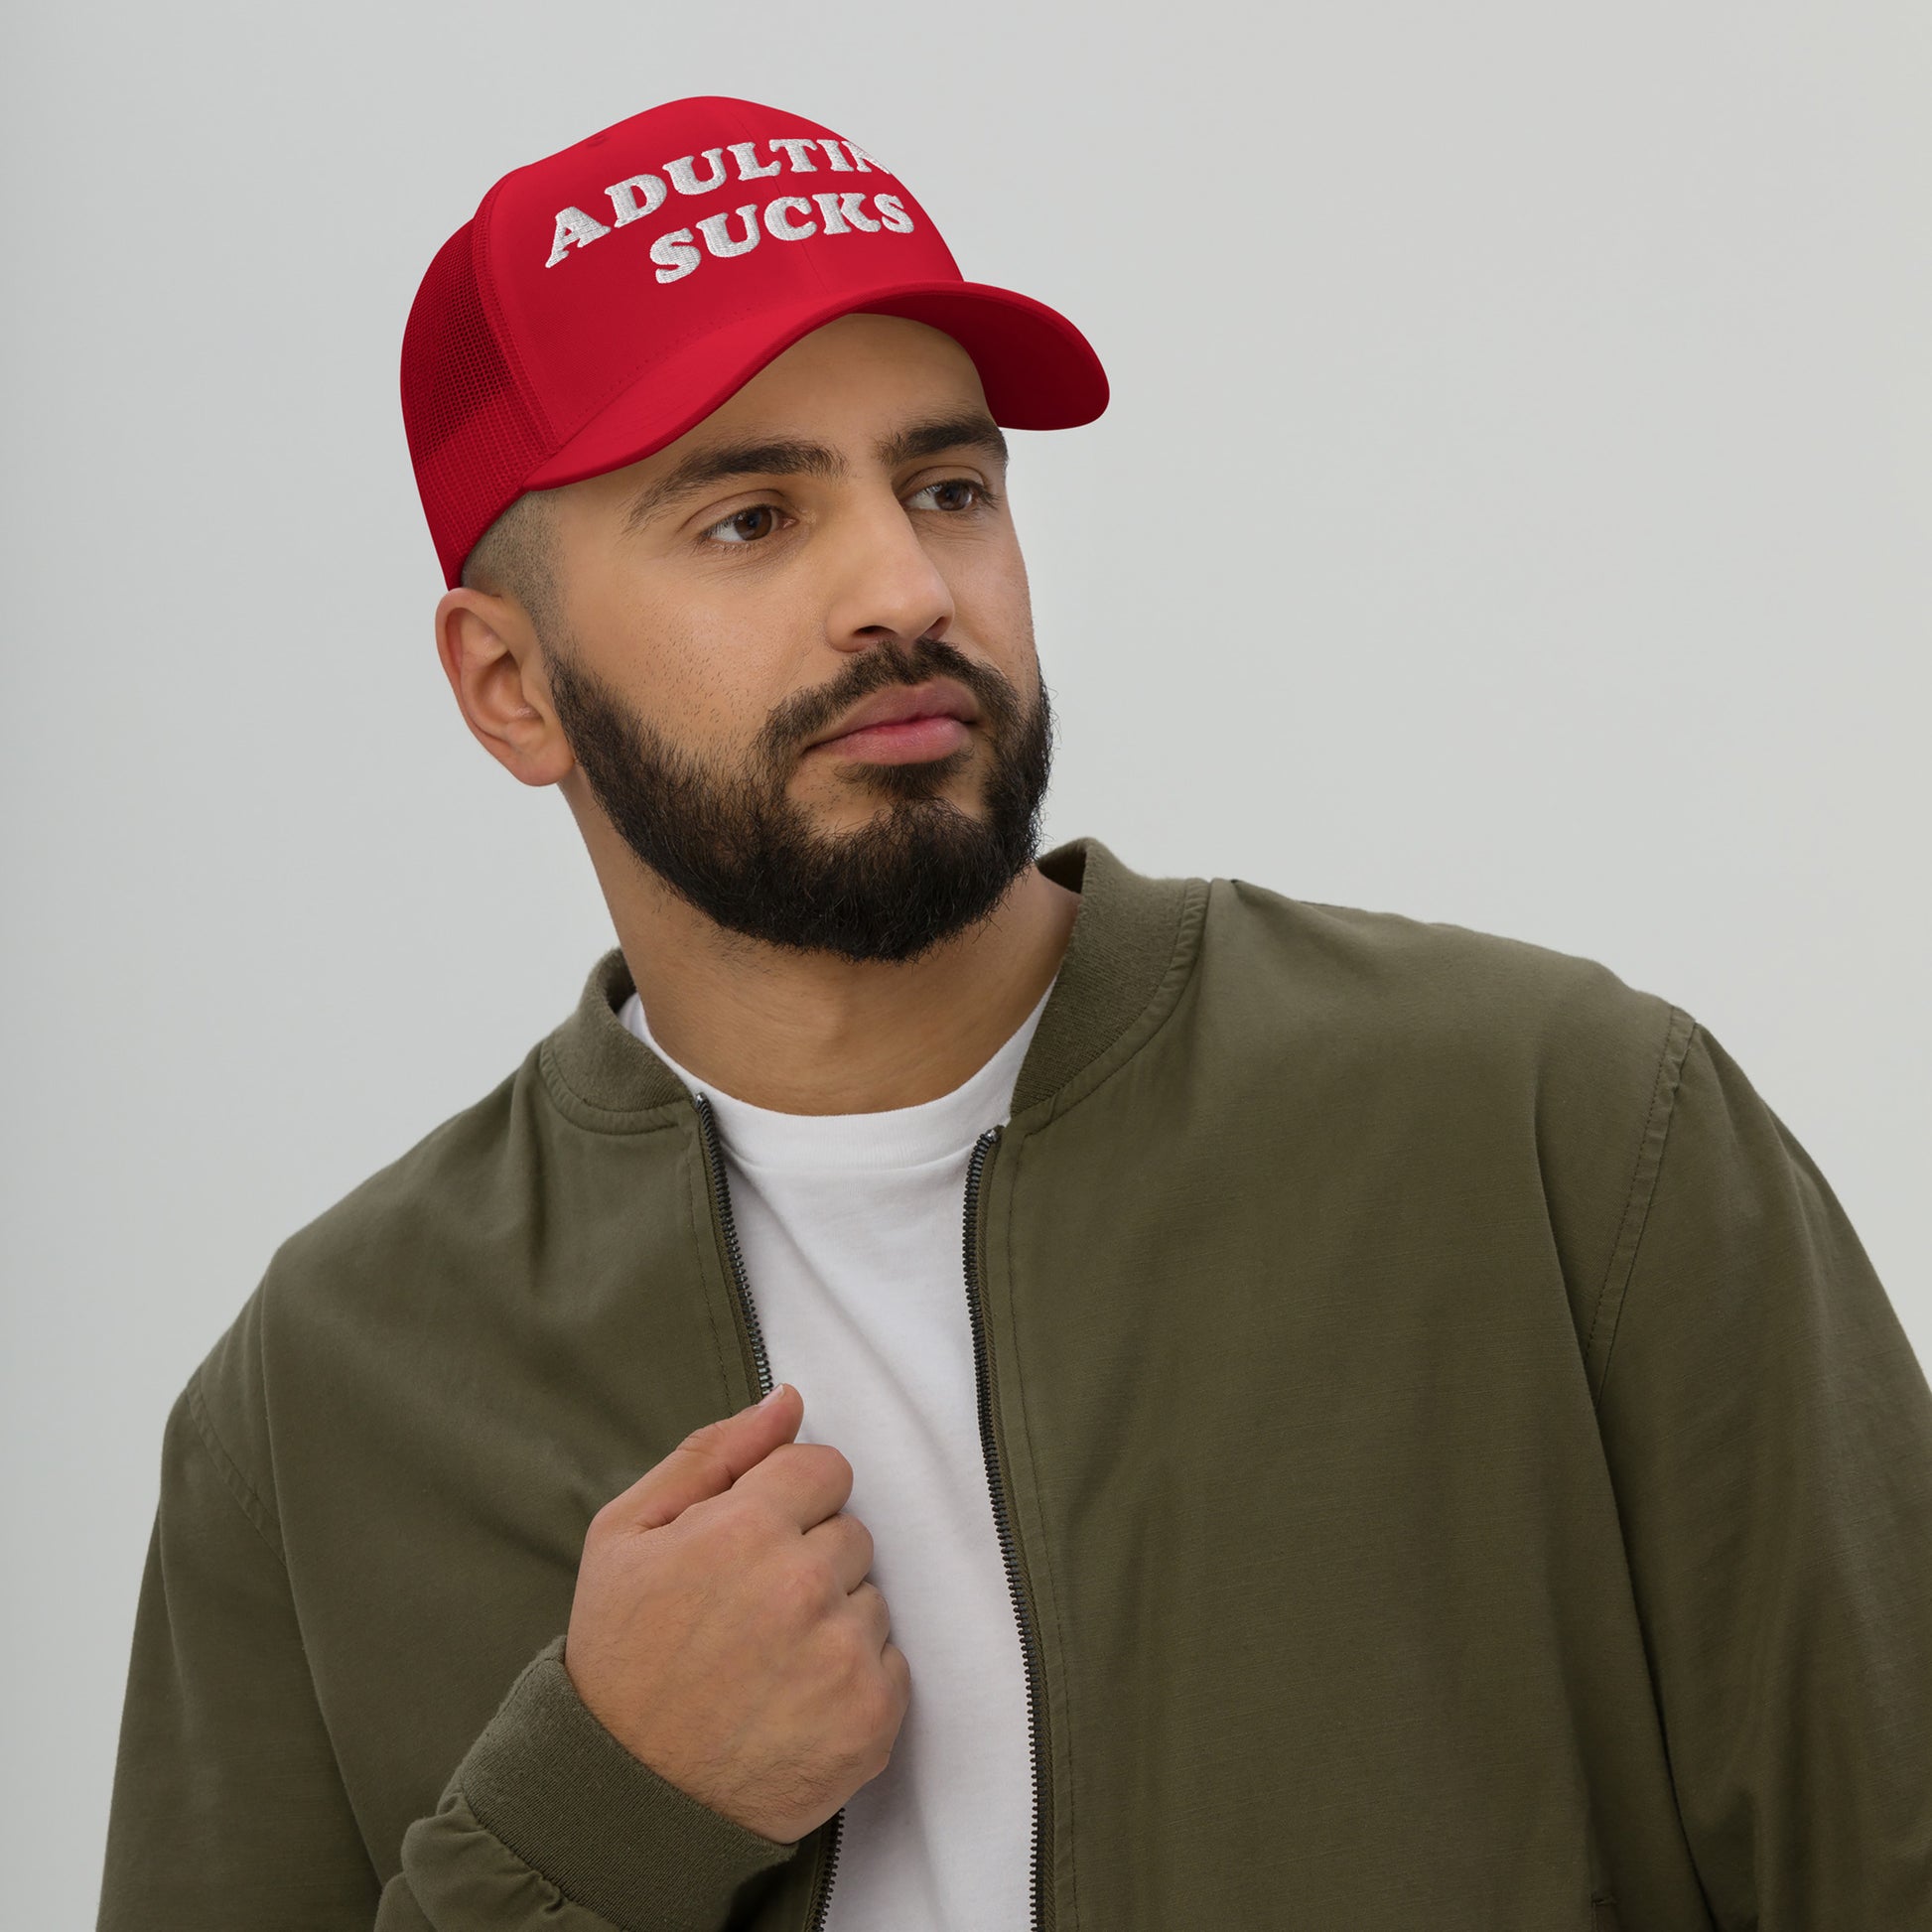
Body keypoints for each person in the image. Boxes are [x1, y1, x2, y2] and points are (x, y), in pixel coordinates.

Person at [96, 93, 1932, 1932]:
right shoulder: (323, 1403)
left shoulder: (1560, 1140)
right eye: (750, 517)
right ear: (509, 686)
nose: (904, 589)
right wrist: (594, 1815)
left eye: (948, 487)